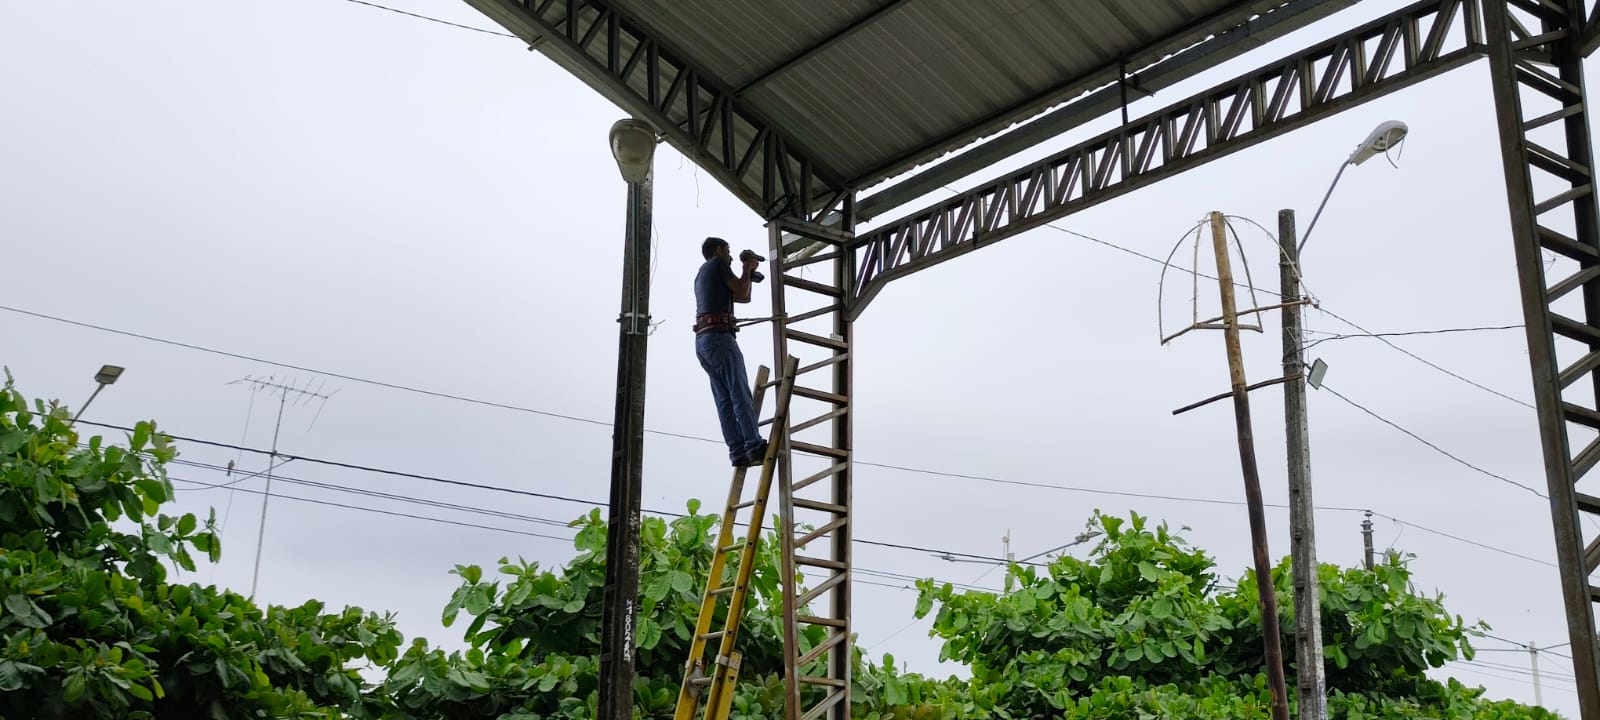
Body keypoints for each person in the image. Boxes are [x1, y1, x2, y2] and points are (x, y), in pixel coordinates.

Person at [693, 236, 768, 467]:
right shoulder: (718, 264)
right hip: (719, 338)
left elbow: (741, 295)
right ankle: (754, 446)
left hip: (704, 342)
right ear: (718, 250)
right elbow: (743, 294)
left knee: (724, 400)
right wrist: (747, 267)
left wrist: (748, 274)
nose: (731, 257)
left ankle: (737, 452)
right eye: (728, 251)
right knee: (739, 394)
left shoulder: (702, 273)